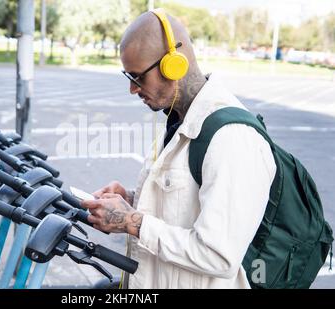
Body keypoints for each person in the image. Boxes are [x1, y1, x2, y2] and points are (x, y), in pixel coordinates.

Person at [81, 9, 276, 289]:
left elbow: (218, 255)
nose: (133, 89)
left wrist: (131, 221)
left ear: (174, 65)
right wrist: (131, 200)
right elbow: (184, 205)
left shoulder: (232, 138)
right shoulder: (181, 120)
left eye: (137, 77)